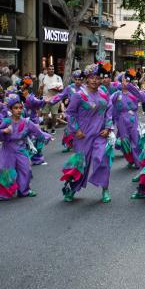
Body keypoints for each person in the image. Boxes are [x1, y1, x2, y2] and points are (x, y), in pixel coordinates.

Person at [60, 62, 115, 203]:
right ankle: (71, 189)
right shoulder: (79, 95)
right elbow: (70, 113)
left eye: (97, 77)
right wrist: (76, 130)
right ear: (86, 79)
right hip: (83, 135)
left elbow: (109, 110)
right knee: (80, 164)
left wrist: (108, 128)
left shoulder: (103, 93)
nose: (95, 80)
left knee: (102, 158)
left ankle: (105, 188)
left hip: (100, 134)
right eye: (92, 77)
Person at [0, 93, 51, 201]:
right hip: (8, 149)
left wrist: (47, 137)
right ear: (11, 109)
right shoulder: (7, 121)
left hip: (21, 149)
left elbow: (38, 132)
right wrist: (4, 131)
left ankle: (24, 191)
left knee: (26, 170)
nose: (18, 110)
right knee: (4, 171)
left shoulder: (26, 122)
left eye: (20, 108)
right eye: (15, 108)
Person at [111, 68, 142, 168]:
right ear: (121, 81)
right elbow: (108, 106)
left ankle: (137, 162)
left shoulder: (135, 93)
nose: (127, 82)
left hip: (133, 119)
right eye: (124, 80)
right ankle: (130, 159)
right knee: (125, 141)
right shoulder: (116, 95)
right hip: (122, 120)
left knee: (136, 140)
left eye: (129, 80)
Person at [39, 65, 64, 134]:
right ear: (47, 70)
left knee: (54, 115)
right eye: (50, 69)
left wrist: (57, 89)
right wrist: (40, 96)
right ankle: (45, 128)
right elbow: (40, 89)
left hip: (55, 99)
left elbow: (61, 89)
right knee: (45, 115)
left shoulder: (58, 78)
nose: (51, 70)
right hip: (45, 98)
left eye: (52, 69)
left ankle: (53, 128)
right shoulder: (44, 78)